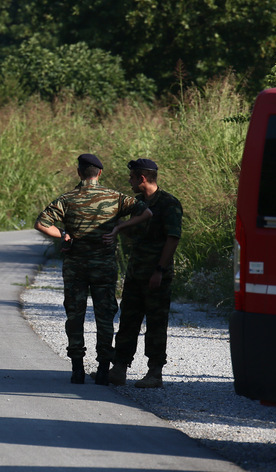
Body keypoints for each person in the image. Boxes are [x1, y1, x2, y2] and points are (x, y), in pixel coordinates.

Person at [34, 154, 152, 385]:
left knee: (75, 316)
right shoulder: (115, 198)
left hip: (75, 267)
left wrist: (64, 236)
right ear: (99, 173)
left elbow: (41, 224)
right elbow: (146, 212)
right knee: (104, 316)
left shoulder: (67, 199)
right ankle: (103, 370)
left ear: (79, 173)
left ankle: (77, 369)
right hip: (104, 268)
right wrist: (118, 228)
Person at [109, 158, 183, 389]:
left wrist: (159, 271)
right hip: (135, 272)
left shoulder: (169, 204)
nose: (129, 181)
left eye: (132, 177)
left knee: (156, 323)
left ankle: (155, 372)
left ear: (142, 178)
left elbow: (172, 239)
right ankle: (119, 368)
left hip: (156, 274)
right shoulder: (138, 203)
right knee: (128, 320)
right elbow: (134, 233)